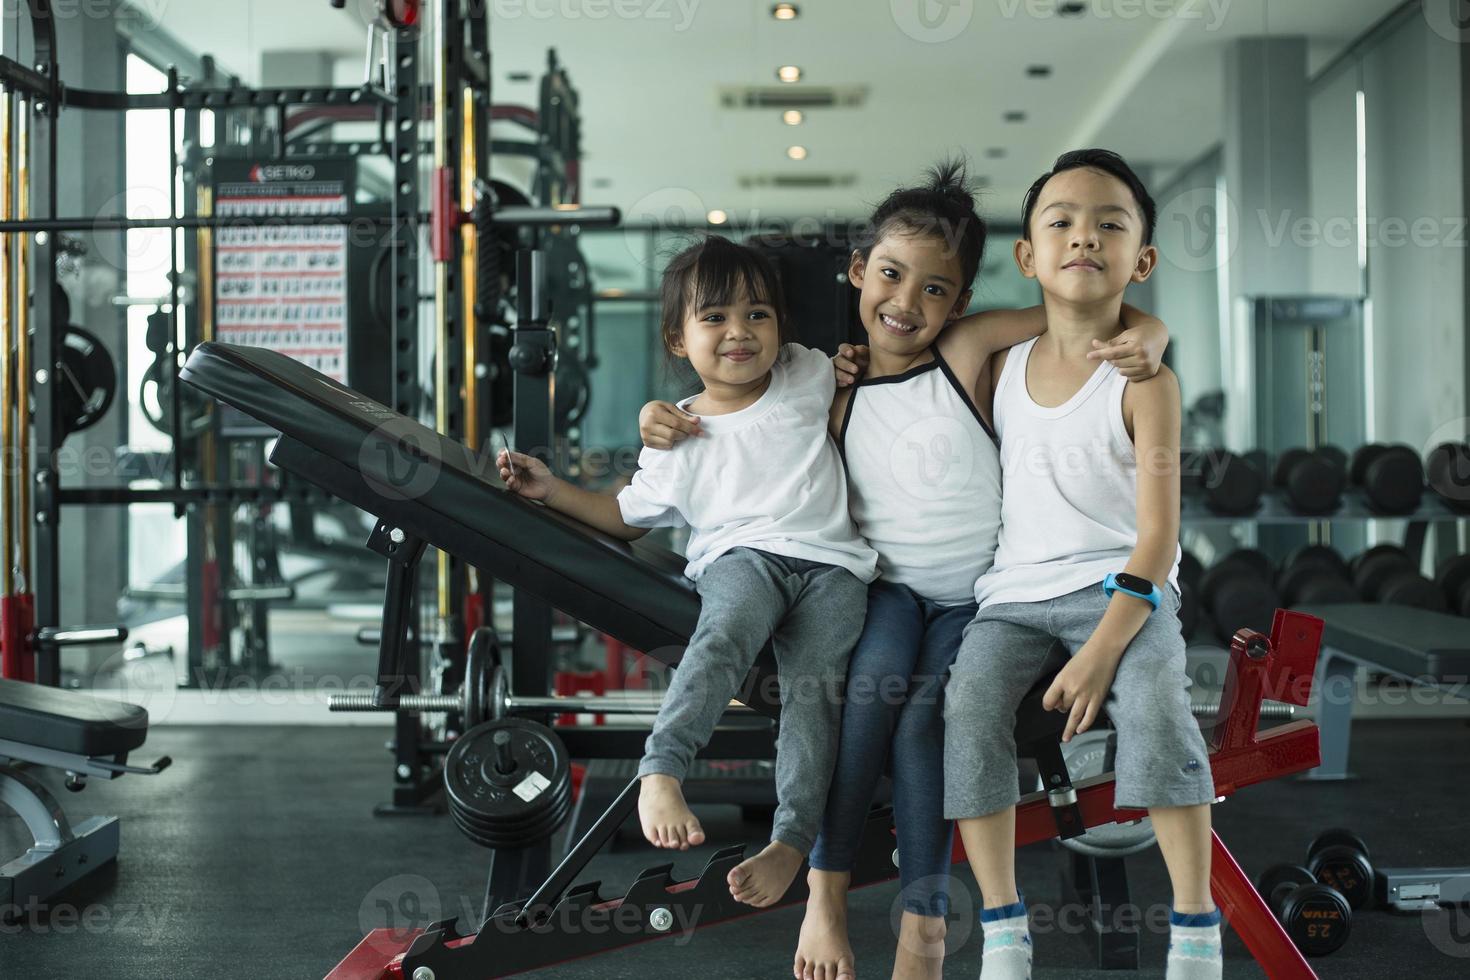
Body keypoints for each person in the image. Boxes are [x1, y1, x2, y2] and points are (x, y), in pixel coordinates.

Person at [639, 161, 1169, 980]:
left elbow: (1083, 311)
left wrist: (1152, 336)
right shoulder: (828, 387)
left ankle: (923, 922)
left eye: (934, 290)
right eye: (890, 275)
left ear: (958, 304)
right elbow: (734, 407)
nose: (906, 301)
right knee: (861, 706)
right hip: (884, 593)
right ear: (858, 273)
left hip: (975, 602)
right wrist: (658, 416)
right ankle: (824, 891)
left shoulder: (966, 349)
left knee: (926, 720)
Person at [498, 235, 877, 909]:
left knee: (815, 694)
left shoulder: (805, 372)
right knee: (723, 636)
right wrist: (549, 489)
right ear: (679, 340)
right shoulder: (677, 433)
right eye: (715, 318)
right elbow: (623, 516)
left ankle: (790, 840)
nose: (740, 331)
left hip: (834, 569)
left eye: (758, 314)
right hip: (741, 561)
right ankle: (662, 770)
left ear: (782, 328)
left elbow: (863, 367)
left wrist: (855, 359)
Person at [943, 149, 1219, 980]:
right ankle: (1002, 924)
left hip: (1123, 593)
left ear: (1142, 260)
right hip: (1015, 601)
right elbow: (942, 340)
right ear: (1027, 256)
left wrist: (1102, 650)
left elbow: (1159, 542)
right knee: (968, 709)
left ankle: (1197, 924)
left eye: (1110, 224)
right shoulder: (997, 369)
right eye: (1059, 222)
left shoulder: (1148, 383)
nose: (1083, 237)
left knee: (1157, 705)